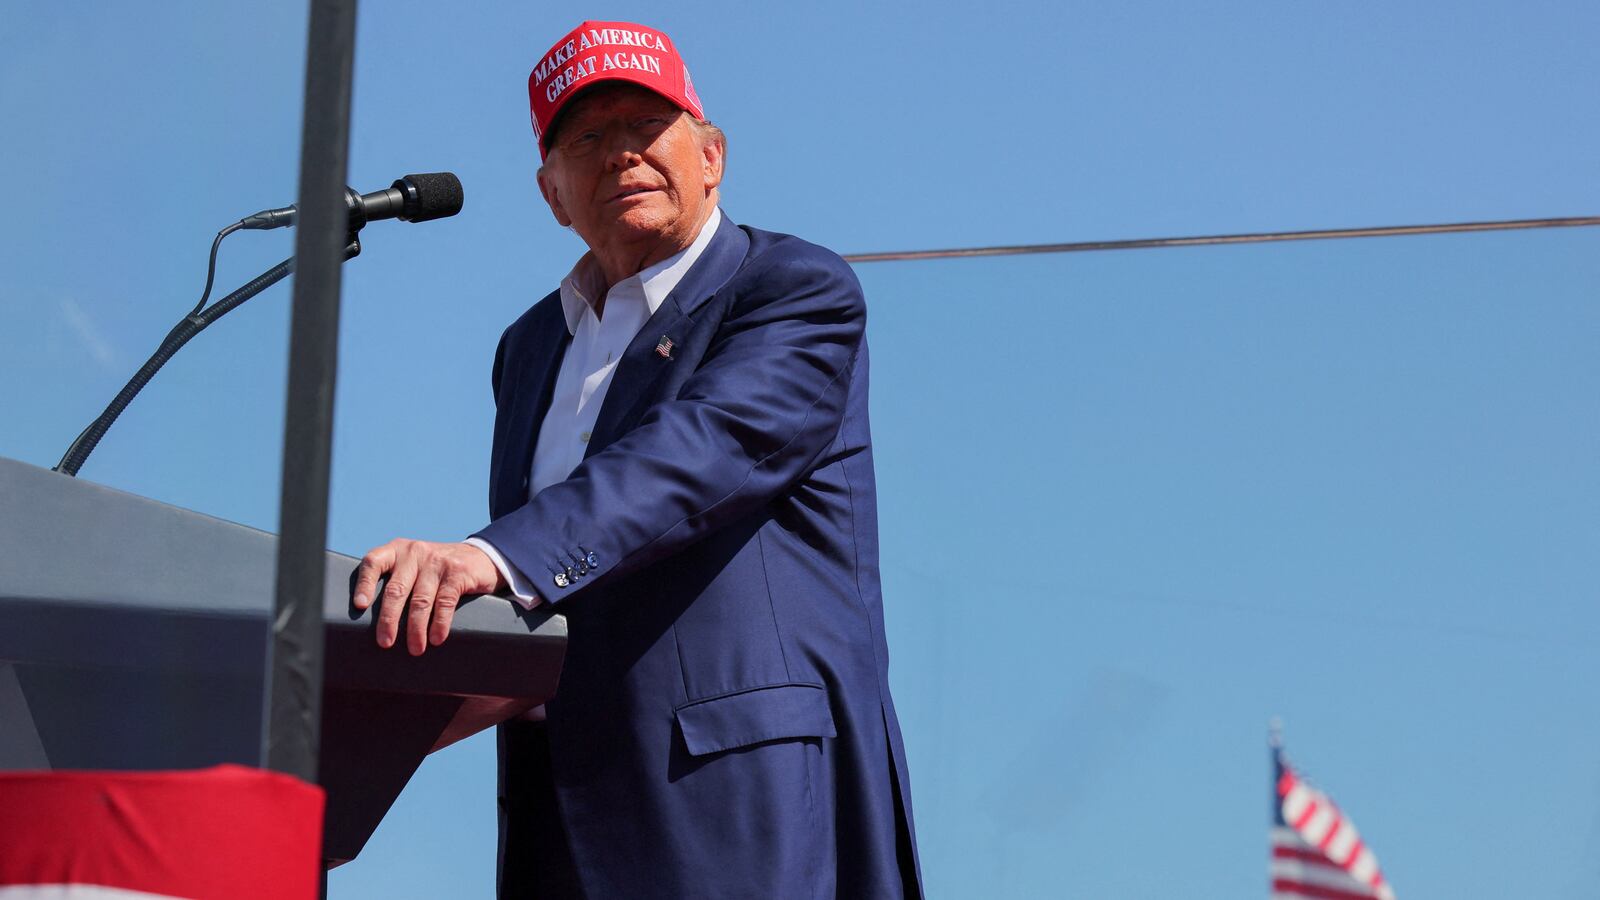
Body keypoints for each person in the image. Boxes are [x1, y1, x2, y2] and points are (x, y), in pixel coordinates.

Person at [352, 20, 922, 898]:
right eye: (587, 137)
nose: (621, 155)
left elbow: (697, 454)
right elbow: (562, 591)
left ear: (711, 156)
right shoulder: (529, 346)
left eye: (646, 127)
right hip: (560, 808)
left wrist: (491, 558)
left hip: (735, 794)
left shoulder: (792, 290)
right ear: (551, 192)